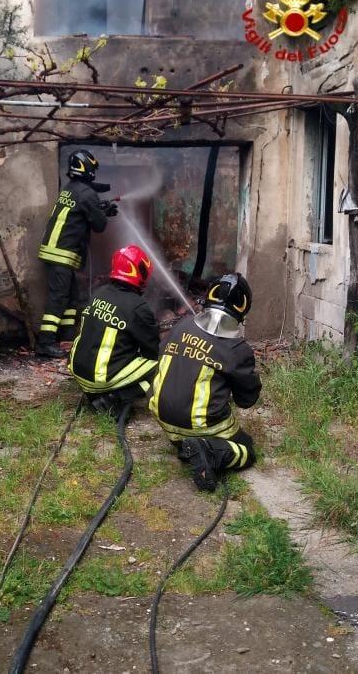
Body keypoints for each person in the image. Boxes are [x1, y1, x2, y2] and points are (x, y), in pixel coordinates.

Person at [149, 273, 261, 492]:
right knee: (246, 448)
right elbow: (247, 400)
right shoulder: (238, 350)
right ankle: (208, 450)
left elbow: (161, 359)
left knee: (186, 438)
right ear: (242, 310)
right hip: (201, 425)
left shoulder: (182, 326)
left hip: (165, 421)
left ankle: (188, 446)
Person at [35, 149, 118, 358]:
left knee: (71, 299)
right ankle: (45, 343)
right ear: (86, 168)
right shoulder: (86, 193)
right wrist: (104, 212)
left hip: (58, 253)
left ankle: (67, 338)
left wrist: (99, 209)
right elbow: (99, 225)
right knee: (58, 298)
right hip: (61, 254)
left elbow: (81, 212)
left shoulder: (70, 189)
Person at [68, 244, 160, 413]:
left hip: (78, 371)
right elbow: (153, 351)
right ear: (140, 273)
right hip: (99, 378)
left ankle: (99, 393)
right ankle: (113, 399)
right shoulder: (138, 307)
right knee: (159, 364)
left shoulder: (99, 293)